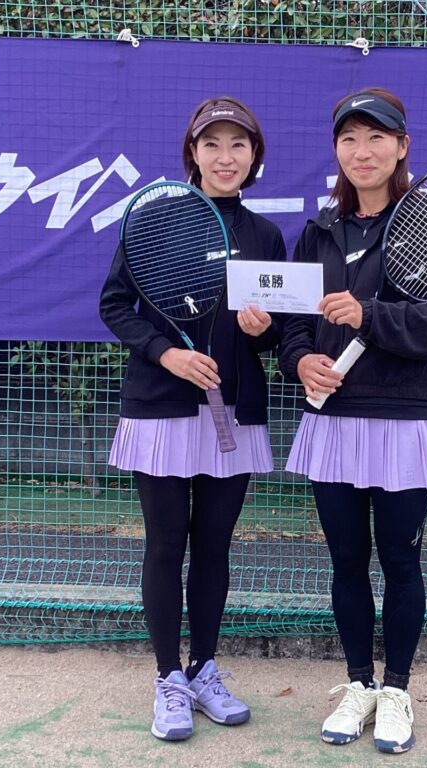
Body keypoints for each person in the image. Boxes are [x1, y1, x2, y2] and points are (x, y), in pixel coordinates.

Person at [278, 88, 427, 754]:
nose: (362, 152)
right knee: (345, 559)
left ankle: (396, 690)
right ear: (336, 150)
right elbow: (294, 322)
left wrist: (370, 316)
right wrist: (301, 362)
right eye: (349, 139)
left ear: (402, 146)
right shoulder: (320, 231)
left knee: (400, 561)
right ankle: (359, 684)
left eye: (376, 137)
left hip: (401, 420)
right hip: (332, 420)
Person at [100, 97, 286, 742]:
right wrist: (167, 353)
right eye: (212, 145)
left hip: (234, 410)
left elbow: (277, 331)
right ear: (193, 154)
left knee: (213, 545)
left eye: (238, 145)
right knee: (165, 543)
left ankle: (204, 668)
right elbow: (115, 305)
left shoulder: (265, 235)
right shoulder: (155, 218)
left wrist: (263, 331)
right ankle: (167, 678)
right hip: (161, 405)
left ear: (254, 157)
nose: (225, 157)